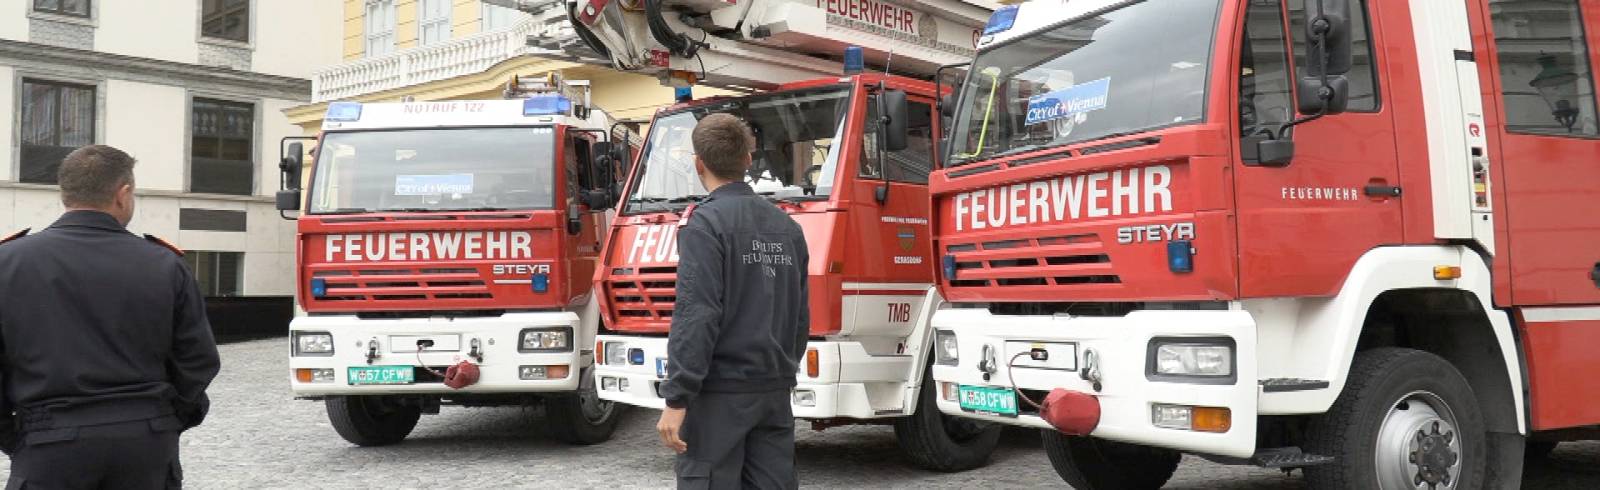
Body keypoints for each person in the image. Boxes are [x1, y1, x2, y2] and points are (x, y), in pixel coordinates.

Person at [0, 145, 222, 488]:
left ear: (64, 194)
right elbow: (198, 360)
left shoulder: (8, 263)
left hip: (49, 443)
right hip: (145, 442)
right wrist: (166, 417)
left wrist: (15, 435)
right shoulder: (164, 263)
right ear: (123, 193)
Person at [656, 113, 810, 489]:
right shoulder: (788, 228)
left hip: (719, 396)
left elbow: (697, 314)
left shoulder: (705, 225)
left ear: (698, 165)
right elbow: (800, 316)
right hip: (773, 390)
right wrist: (782, 368)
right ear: (747, 160)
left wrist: (676, 398)